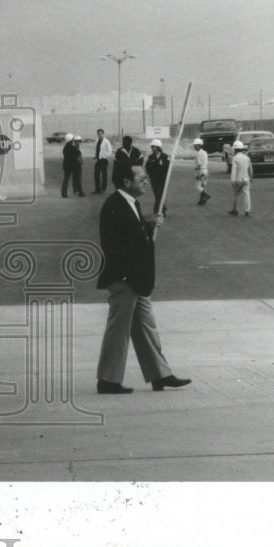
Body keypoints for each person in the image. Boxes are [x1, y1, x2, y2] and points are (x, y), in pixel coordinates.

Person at [95, 158, 192, 394]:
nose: (146, 182)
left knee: (147, 327)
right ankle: (107, 381)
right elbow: (115, 245)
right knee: (118, 331)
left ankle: (161, 375)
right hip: (126, 279)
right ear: (127, 181)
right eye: (141, 179)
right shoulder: (114, 205)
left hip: (137, 280)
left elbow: (133, 235)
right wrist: (127, 277)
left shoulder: (131, 203)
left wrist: (148, 225)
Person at [227, 140, 253, 217]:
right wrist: (251, 177)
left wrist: (232, 180)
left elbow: (234, 170)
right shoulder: (247, 158)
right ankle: (247, 210)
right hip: (246, 178)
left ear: (235, 149)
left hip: (238, 179)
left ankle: (235, 210)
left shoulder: (235, 158)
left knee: (235, 195)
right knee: (246, 194)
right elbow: (250, 169)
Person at [145, 138, 169, 216]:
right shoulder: (151, 157)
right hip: (154, 180)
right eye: (152, 147)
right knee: (158, 194)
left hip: (163, 180)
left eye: (153, 147)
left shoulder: (165, 157)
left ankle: (158, 209)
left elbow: (167, 168)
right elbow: (147, 167)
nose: (152, 148)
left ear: (158, 147)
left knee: (161, 195)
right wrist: (150, 175)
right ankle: (162, 209)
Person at [92, 128, 112, 194]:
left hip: (104, 160)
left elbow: (110, 151)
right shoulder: (97, 141)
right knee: (96, 175)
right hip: (98, 160)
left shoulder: (106, 141)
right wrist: (95, 156)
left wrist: (104, 156)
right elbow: (96, 150)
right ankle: (97, 189)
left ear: (103, 134)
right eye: (98, 134)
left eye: (100, 134)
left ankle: (103, 189)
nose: (99, 135)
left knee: (104, 175)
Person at [193, 137, 210, 205]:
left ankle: (205, 195)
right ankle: (202, 201)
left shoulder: (198, 153)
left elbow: (199, 163)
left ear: (199, 145)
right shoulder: (205, 152)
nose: (194, 147)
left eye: (195, 145)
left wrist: (197, 170)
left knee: (197, 186)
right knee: (203, 186)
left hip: (201, 170)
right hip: (206, 170)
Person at [61, 132, 76, 198]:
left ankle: (64, 193)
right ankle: (76, 190)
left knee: (66, 179)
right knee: (75, 178)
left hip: (66, 165)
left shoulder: (65, 148)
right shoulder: (73, 147)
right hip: (72, 165)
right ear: (71, 140)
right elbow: (76, 155)